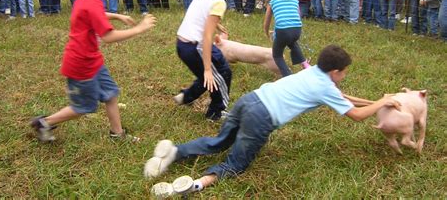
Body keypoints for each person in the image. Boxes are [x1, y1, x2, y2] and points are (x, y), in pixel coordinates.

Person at [143, 45, 401, 198]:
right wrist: (381, 102)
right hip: (262, 118)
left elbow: (343, 98)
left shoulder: (313, 73)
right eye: (345, 72)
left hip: (250, 99)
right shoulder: (327, 88)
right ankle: (194, 185)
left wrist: (377, 101)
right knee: (236, 164)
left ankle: (175, 151)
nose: (344, 76)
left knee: (220, 141)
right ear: (336, 72)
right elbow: (354, 115)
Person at [30, 0, 157, 142]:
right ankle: (44, 122)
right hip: (81, 65)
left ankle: (117, 134)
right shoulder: (90, 2)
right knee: (84, 107)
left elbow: (96, 14)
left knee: (111, 94)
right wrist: (139, 28)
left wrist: (116, 16)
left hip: (93, 60)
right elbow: (108, 36)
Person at [172, 0, 237, 121]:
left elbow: (200, 16)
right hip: (195, 47)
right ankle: (216, 112)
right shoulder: (219, 1)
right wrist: (208, 69)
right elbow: (207, 37)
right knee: (219, 75)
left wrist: (217, 24)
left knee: (211, 73)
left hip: (183, 44)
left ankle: (185, 97)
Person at [263, 0, 310, 77]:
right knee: (292, 43)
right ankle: (305, 65)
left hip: (283, 31)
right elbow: (298, 15)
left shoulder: (273, 0)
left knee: (277, 55)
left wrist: (266, 32)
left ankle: (288, 76)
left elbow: (267, 20)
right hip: (297, 29)